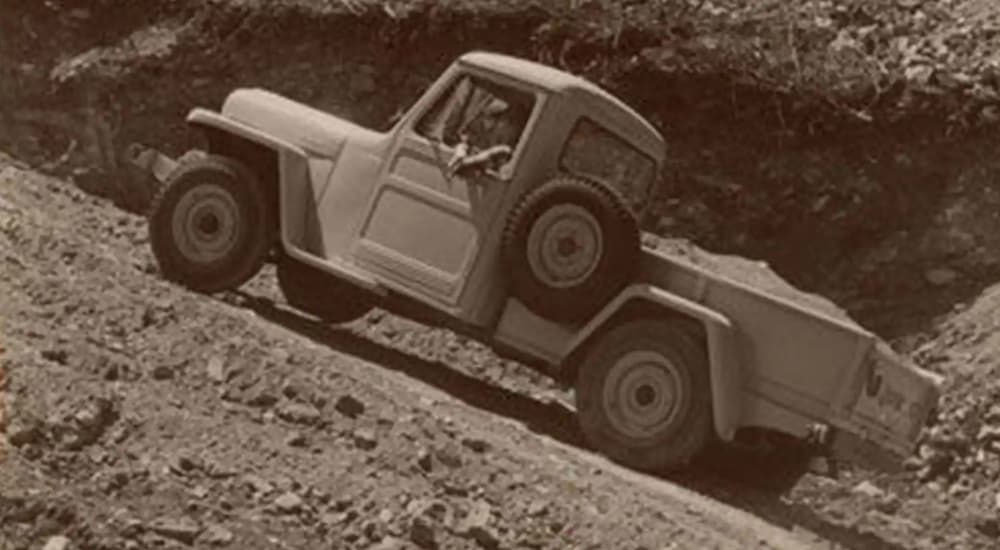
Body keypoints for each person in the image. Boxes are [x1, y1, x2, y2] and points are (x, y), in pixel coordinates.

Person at [448, 97, 529, 176]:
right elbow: (461, 140)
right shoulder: (475, 125)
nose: (483, 121)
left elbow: (502, 170)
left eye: (509, 121)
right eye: (484, 116)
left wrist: (493, 152)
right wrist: (461, 147)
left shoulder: (508, 143)